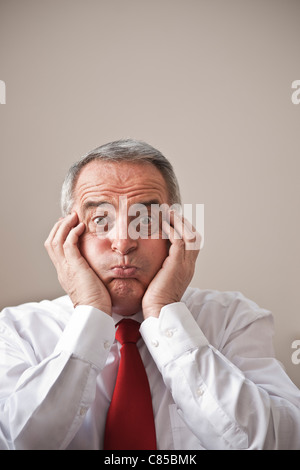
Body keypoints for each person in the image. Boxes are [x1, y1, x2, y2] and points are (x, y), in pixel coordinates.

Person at [0, 139, 299, 450]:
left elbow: (279, 444)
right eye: (100, 220)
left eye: (146, 220)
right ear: (68, 238)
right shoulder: (16, 331)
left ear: (175, 231)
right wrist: (90, 313)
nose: (124, 242)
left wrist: (164, 310)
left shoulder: (234, 320)